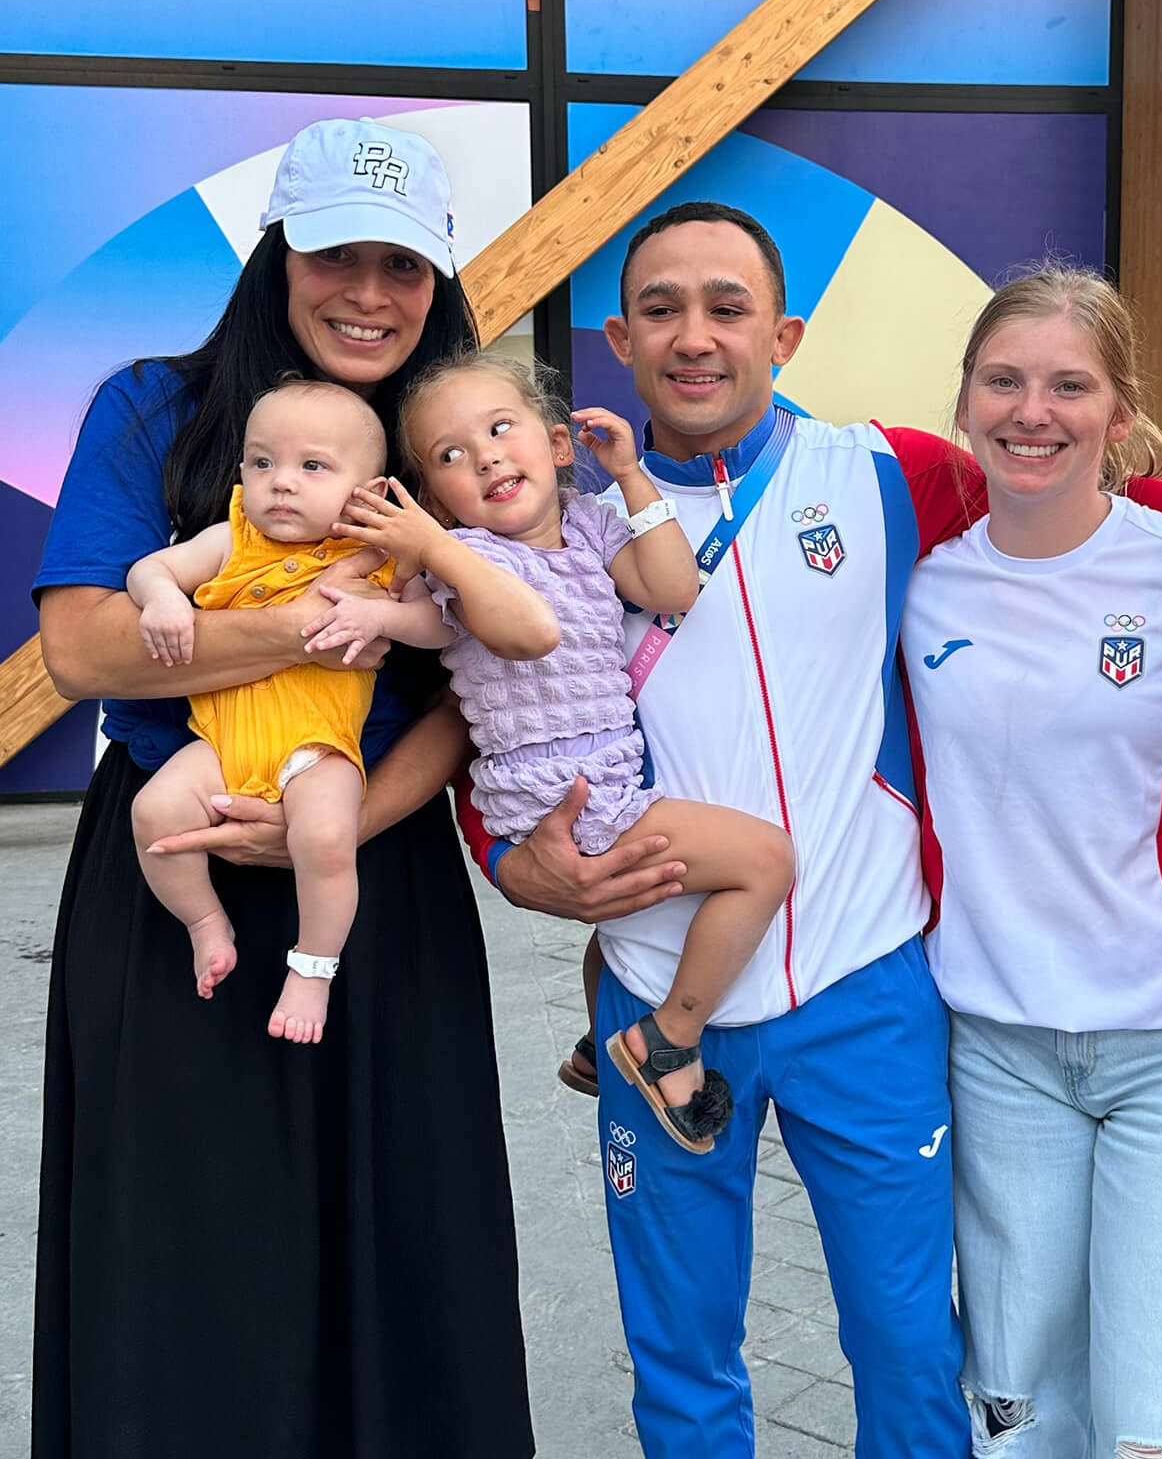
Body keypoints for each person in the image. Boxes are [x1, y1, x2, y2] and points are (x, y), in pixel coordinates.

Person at [448, 200, 1162, 1459]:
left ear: (781, 332)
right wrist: (509, 859)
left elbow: (1061, 469)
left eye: (727, 307)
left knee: (905, 1340)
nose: (694, 335)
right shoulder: (550, 527)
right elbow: (482, 727)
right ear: (616, 337)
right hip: (657, 987)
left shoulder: (881, 472)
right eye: (661, 308)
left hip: (868, 984)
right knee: (681, 1351)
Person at [32, 118, 534, 1457]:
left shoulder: (450, 452)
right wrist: (318, 616)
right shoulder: (156, 407)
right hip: (168, 878)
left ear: (439, 282)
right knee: (188, 1255)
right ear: (277, 260)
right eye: (336, 258)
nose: (369, 295)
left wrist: (349, 817)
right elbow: (83, 645)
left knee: (401, 1238)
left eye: (403, 267)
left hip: (366, 875)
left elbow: (486, 685)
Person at [902, 268, 1162, 1457]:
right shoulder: (914, 574)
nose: (1034, 411)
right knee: (1022, 1421)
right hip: (996, 1051)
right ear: (964, 402)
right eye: (1004, 381)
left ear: (1119, 413)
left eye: (1070, 385)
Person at [306, 351, 795, 1150]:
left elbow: (673, 589)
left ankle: (597, 1047)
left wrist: (632, 478)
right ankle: (667, 1038)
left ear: (558, 444)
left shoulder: (591, 520)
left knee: (631, 920)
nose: (488, 455)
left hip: (600, 771)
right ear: (434, 500)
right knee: (766, 861)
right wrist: (413, 573)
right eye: (452, 456)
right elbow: (503, 629)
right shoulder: (466, 560)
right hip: (557, 788)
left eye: (502, 429)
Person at [127, 381, 394, 1044]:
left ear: (370, 492)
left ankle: (312, 968)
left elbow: (438, 628)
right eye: (262, 461)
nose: (281, 483)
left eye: (313, 466)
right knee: (153, 814)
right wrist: (163, 599)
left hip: (318, 745)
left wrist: (386, 616)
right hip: (220, 741)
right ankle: (204, 921)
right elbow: (149, 570)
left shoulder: (375, 556)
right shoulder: (231, 540)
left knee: (327, 839)